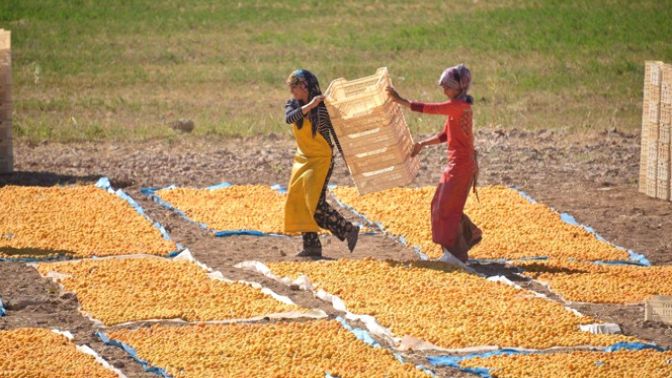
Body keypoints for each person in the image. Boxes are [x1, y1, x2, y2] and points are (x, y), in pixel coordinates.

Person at [387, 64, 482, 269]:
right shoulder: (456, 108)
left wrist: (401, 101)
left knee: (446, 207)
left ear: (459, 88)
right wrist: (423, 144)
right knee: (439, 204)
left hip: (462, 166)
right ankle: (468, 236)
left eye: (447, 87)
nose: (444, 91)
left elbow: (431, 108)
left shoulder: (458, 107)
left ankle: (457, 253)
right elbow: (446, 135)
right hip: (457, 164)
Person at [283, 69, 360, 258]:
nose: (292, 92)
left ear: (304, 86)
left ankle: (347, 229)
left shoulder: (324, 108)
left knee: (315, 203)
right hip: (303, 158)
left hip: (321, 160)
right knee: (299, 199)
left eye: (294, 88)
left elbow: (336, 134)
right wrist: (309, 105)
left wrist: (347, 157)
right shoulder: (294, 104)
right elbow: (289, 118)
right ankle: (312, 246)